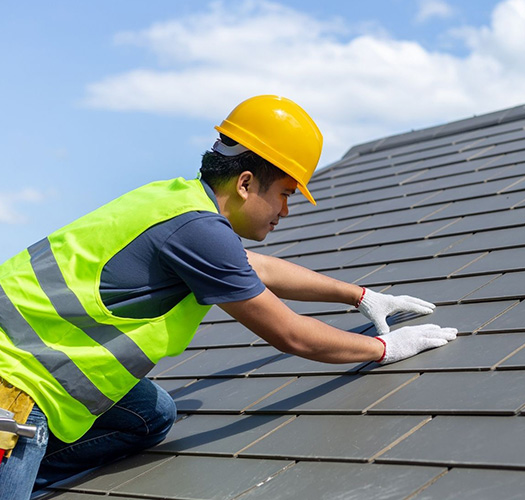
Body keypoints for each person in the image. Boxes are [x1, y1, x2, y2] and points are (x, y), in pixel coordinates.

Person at [0, 95, 457, 499]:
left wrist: (359, 297)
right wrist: (384, 348)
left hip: (29, 363)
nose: (285, 210)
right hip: (13, 390)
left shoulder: (178, 202)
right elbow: (290, 334)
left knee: (152, 415)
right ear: (243, 183)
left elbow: (255, 268)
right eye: (283, 193)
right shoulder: (197, 229)